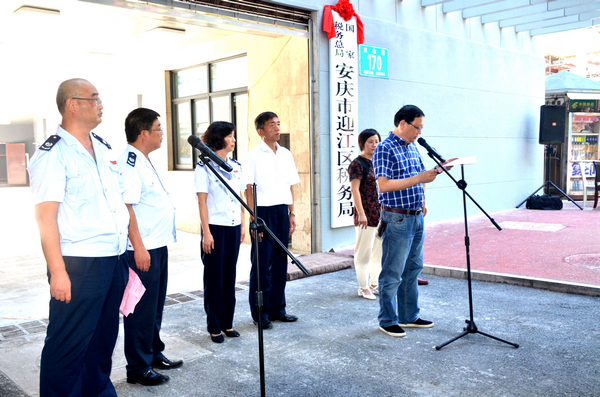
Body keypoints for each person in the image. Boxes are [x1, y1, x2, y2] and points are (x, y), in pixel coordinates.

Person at [28, 78, 130, 396]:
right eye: (94, 98)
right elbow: (46, 218)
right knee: (68, 345)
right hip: (78, 264)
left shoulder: (103, 147)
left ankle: (97, 391)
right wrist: (58, 272)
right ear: (72, 104)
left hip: (113, 259)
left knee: (102, 340)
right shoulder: (53, 155)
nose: (100, 104)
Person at [372, 105, 454, 338]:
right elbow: (384, 185)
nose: (419, 132)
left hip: (416, 215)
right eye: (416, 127)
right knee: (392, 272)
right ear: (402, 124)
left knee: (413, 269)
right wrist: (420, 178)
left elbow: (422, 175)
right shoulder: (384, 148)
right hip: (396, 217)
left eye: (421, 128)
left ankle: (409, 316)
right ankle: (387, 319)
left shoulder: (413, 147)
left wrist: (424, 195)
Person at [118, 108, 182, 387]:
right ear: (143, 133)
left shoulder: (144, 159)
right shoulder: (129, 161)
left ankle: (154, 352)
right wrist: (139, 247)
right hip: (143, 249)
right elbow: (127, 206)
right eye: (158, 129)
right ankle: (138, 368)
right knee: (141, 310)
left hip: (157, 244)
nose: (162, 134)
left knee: (154, 307)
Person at [245, 111, 300, 329]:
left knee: (280, 263)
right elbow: (248, 189)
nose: (277, 128)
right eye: (271, 125)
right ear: (261, 131)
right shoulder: (253, 155)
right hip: (262, 213)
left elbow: (290, 185)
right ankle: (261, 313)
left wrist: (292, 213)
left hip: (281, 212)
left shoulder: (286, 153)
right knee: (261, 265)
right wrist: (253, 219)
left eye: (278, 123)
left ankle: (278, 309)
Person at [195, 121, 246, 343]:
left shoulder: (236, 166)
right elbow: (202, 202)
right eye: (230, 136)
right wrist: (206, 232)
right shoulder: (204, 167)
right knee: (214, 279)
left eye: (234, 135)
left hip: (233, 226)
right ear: (219, 138)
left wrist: (243, 225)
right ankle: (214, 326)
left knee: (229, 277)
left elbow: (241, 198)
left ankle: (227, 323)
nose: (233, 140)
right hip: (214, 228)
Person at [348, 129, 382, 300]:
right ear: (362, 143)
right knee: (363, 252)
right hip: (365, 214)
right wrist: (361, 213)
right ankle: (363, 286)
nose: (374, 145)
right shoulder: (357, 164)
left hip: (380, 213)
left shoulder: (379, 162)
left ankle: (374, 283)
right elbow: (354, 190)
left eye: (376, 141)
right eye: (370, 141)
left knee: (378, 251)